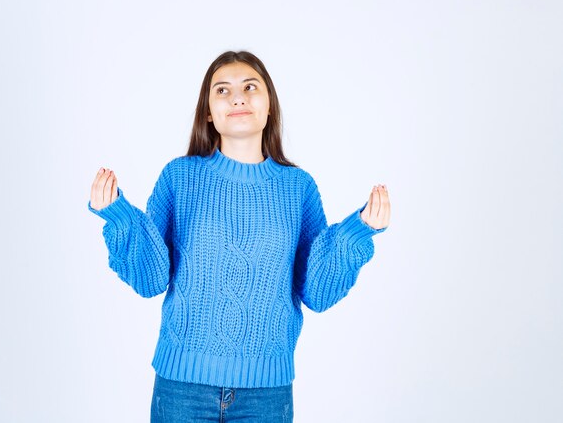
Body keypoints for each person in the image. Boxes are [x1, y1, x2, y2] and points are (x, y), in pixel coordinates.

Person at [88, 50, 391, 422]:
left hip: (266, 393)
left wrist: (358, 232)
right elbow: (150, 279)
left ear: (269, 108)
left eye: (250, 87)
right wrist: (118, 215)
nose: (238, 97)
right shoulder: (179, 178)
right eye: (222, 91)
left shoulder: (298, 188)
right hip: (182, 387)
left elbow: (317, 290)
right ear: (209, 114)